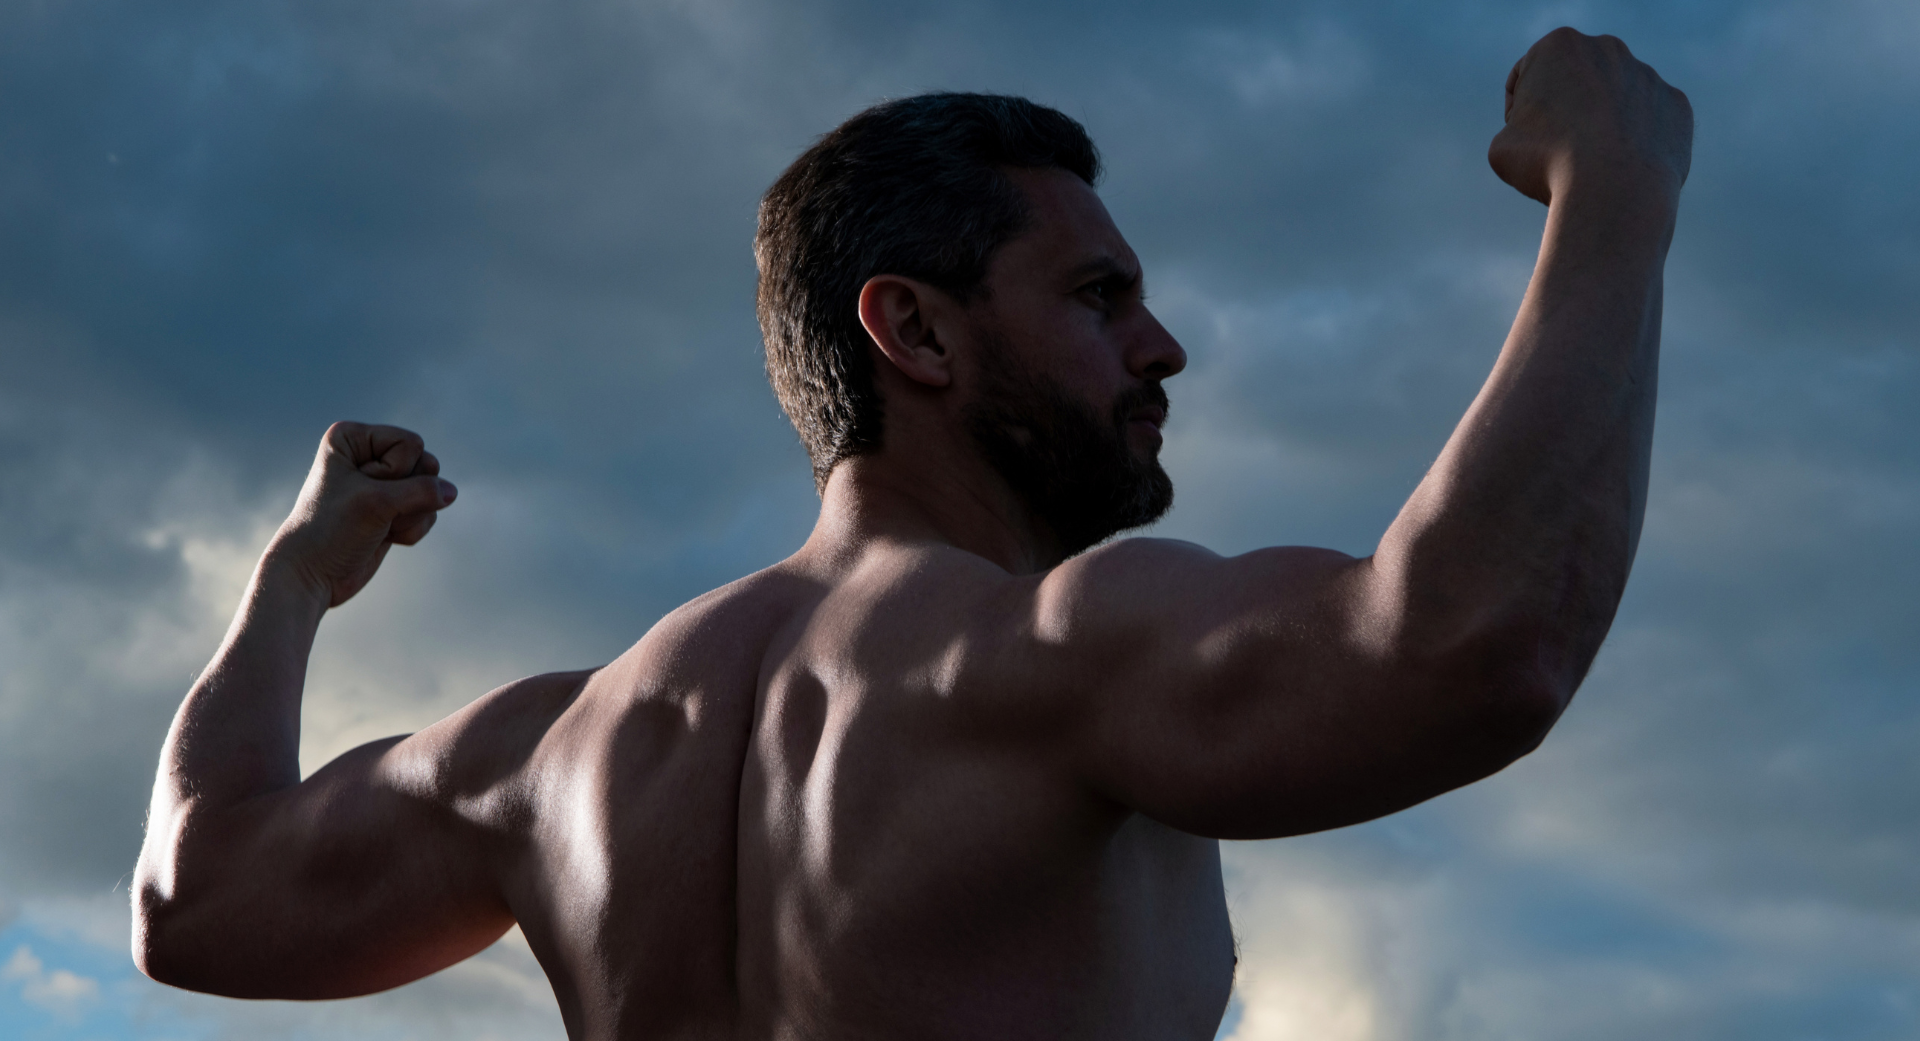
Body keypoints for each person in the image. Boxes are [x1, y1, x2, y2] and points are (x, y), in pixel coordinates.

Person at [132, 27, 1692, 1040]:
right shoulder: (1050, 656)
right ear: (918, 335)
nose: (1163, 349)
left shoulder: (554, 760)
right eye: (1099, 299)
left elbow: (191, 900)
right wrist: (1614, 192)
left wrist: (292, 585)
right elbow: (1477, 642)